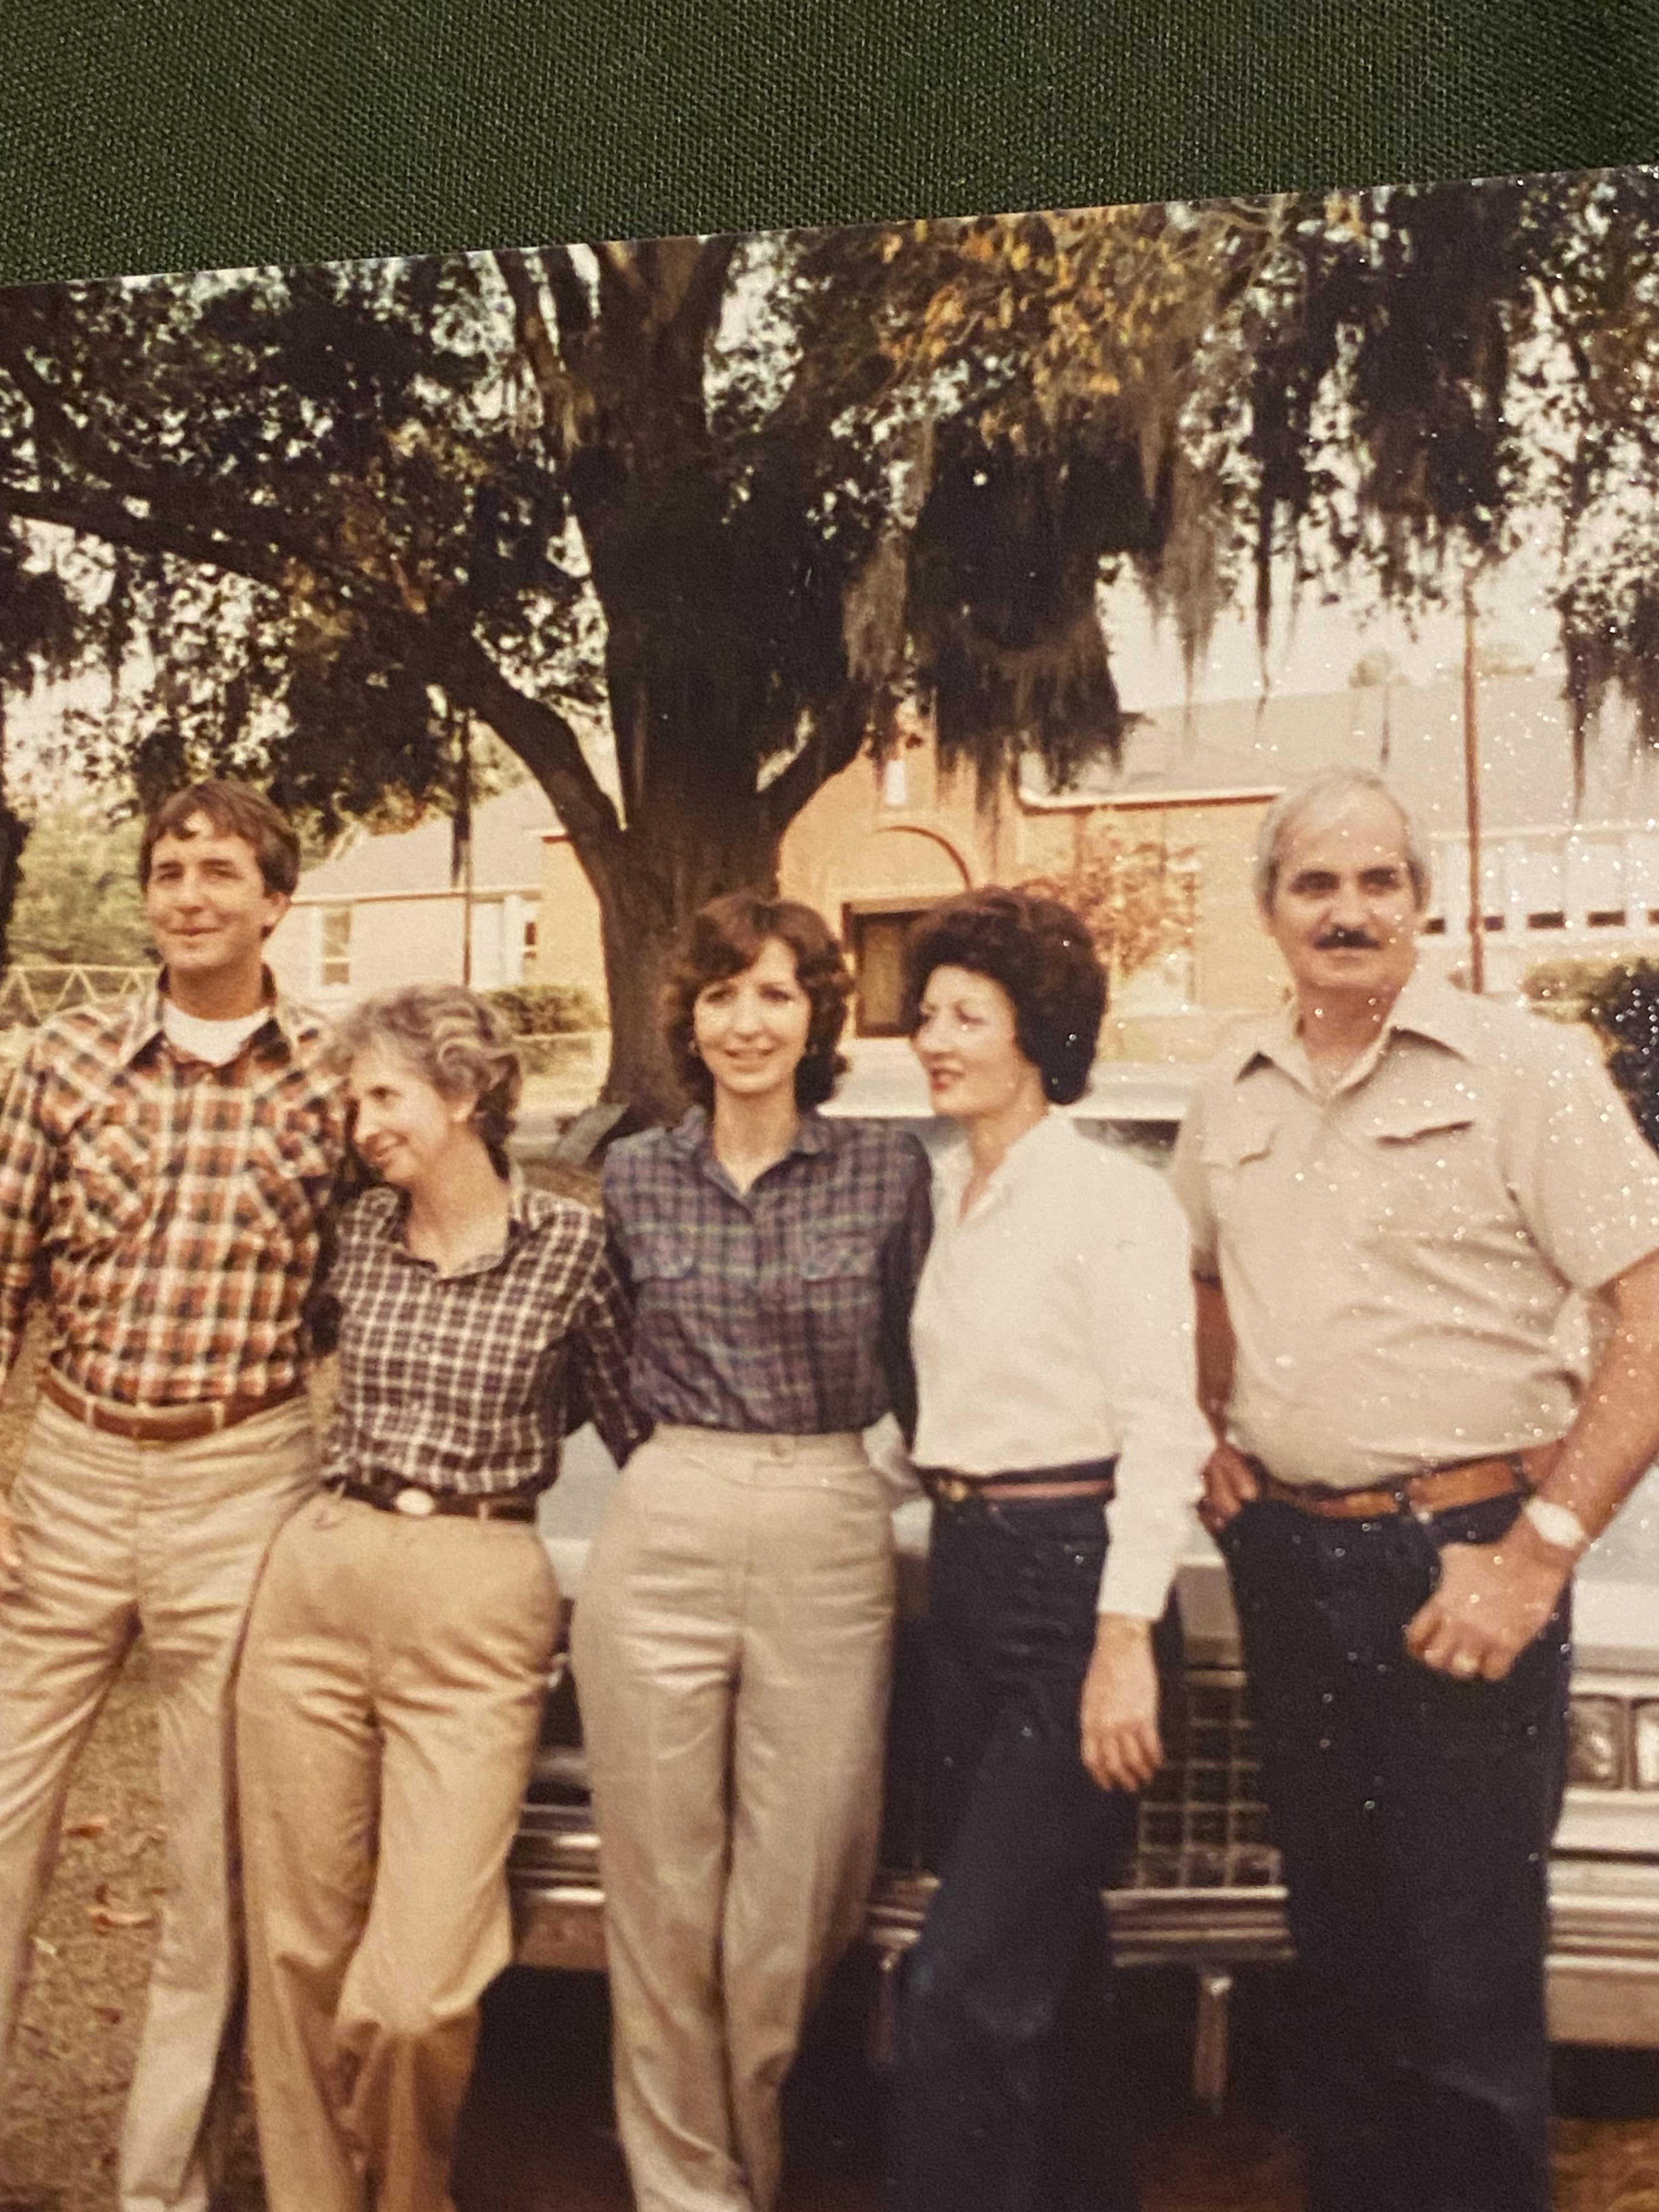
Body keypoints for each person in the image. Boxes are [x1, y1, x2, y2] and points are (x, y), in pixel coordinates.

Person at [1170, 767, 1659, 2212]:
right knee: (1341, 1970)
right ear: (1269, 912)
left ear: (1423, 903)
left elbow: (1647, 1311)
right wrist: (1207, 1425)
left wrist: (1539, 1548)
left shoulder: (1527, 1074)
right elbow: (1199, 1272)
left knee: (1464, 1986)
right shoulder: (1231, 1085)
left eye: (1379, 881)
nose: (1350, 911)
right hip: (1289, 1559)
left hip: (1464, 1557)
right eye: (1316, 885)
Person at [235, 983, 642, 2212]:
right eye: (354, 1099)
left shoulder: (572, 1248)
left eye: (386, 1095)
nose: (362, 1122)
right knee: (299, 1953)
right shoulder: (353, 1233)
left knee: (414, 1995)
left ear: (466, 1095)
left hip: (480, 1596)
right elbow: (258, 1343)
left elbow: (641, 1431)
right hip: (322, 1577)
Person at [0, 778, 346, 2212]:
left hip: (242, 1480)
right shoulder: (58, 1060)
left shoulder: (336, 1074)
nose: (189, 892)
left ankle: (164, 2188)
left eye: (220, 871)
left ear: (277, 899)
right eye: (168, 869)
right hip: (75, 1469)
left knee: (211, 1867)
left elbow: (357, 1301)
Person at [571, 890, 932, 2212]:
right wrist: (677, 1470)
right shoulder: (636, 1171)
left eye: (776, 992)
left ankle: (757, 2165)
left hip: (830, 1519)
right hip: (669, 1508)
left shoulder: (889, 1173)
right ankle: (687, 2194)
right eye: (722, 994)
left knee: (795, 1899)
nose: (746, 1020)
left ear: (818, 1014)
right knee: (661, 1895)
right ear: (692, 1016)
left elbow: (923, 1367)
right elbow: (606, 1360)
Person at [889, 885, 1211, 2212]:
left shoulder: (1109, 1202)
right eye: (926, 1014)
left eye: (970, 1013)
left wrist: (1122, 1640)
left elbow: (1167, 1431)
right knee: (1045, 1966)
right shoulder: (944, 1194)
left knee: (958, 1981)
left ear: (1040, 1028)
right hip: (965, 1582)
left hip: (1075, 1595)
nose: (936, 1036)